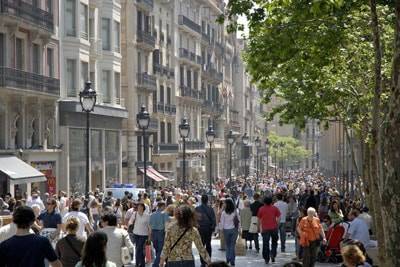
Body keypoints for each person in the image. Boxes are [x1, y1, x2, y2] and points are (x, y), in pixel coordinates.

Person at [258, 196, 281, 264]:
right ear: (271, 202)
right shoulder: (275, 208)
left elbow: (259, 219)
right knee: (274, 242)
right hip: (274, 228)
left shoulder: (261, 209)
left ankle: (266, 258)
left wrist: (258, 228)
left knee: (266, 244)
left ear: (264, 202)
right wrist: (277, 224)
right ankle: (273, 253)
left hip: (265, 229)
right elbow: (279, 217)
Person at [195, 194, 216, 267]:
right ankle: (208, 259)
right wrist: (213, 228)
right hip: (208, 228)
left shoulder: (197, 208)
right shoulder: (210, 208)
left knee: (202, 245)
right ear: (207, 200)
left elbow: (196, 219)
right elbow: (213, 219)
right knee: (208, 244)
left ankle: (202, 261)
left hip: (201, 228)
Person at [128, 202, 151, 267]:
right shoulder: (135, 214)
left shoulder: (147, 215)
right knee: (138, 249)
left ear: (143, 208)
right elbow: (130, 221)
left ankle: (138, 264)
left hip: (144, 235)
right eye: (138, 207)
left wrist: (149, 237)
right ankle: (140, 264)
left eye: (141, 207)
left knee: (139, 249)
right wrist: (130, 223)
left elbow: (150, 227)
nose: (139, 208)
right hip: (136, 234)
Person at [150, 201, 170, 267]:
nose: (165, 207)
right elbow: (166, 225)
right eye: (164, 206)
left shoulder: (152, 214)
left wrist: (149, 236)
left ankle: (157, 263)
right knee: (160, 250)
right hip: (160, 233)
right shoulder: (164, 213)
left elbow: (149, 226)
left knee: (157, 249)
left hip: (153, 233)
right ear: (162, 206)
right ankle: (155, 264)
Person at [220, 198, 240, 266]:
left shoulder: (223, 213)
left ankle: (228, 259)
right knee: (232, 245)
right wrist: (239, 229)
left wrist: (221, 230)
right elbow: (238, 220)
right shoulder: (235, 211)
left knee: (228, 245)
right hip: (234, 230)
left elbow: (222, 223)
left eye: (225, 203)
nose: (224, 204)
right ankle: (232, 260)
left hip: (226, 230)